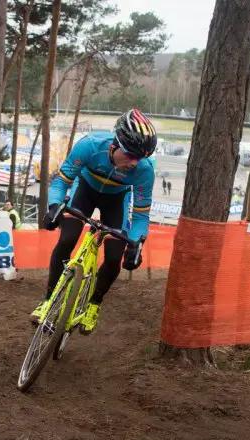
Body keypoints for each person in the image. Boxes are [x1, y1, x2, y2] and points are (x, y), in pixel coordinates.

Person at [30, 108, 157, 335]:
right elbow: (61, 181)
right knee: (68, 239)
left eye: (140, 158)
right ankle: (47, 300)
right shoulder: (90, 145)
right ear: (114, 144)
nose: (134, 163)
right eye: (130, 155)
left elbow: (140, 216)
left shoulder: (144, 171)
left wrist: (136, 244)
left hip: (117, 201)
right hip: (85, 191)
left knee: (114, 258)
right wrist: (53, 207)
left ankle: (93, 305)